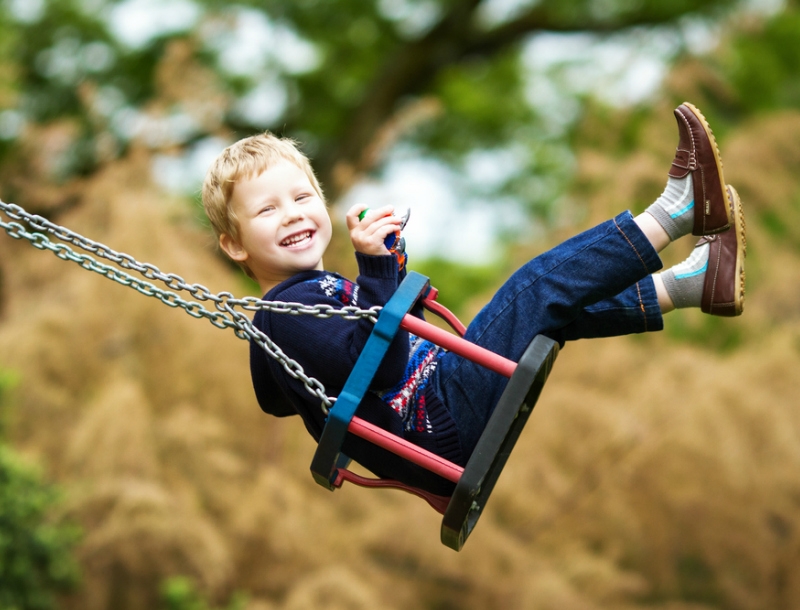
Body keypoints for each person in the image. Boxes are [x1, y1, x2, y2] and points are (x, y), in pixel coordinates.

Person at [202, 102, 746, 495]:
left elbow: (289, 392)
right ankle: (676, 211)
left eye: (302, 197)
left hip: (436, 418)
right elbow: (385, 368)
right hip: (436, 423)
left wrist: (387, 266)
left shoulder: (303, 309)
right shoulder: (286, 312)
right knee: (535, 287)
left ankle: (691, 283)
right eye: (267, 210)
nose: (293, 213)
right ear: (232, 243)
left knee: (547, 314)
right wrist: (373, 270)